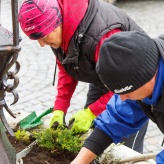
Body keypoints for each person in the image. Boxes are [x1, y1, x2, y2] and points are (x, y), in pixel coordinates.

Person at [56, 30, 164, 164]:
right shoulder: (142, 66)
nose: (122, 98)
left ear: (148, 77)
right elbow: (116, 118)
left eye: (126, 92)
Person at [18, 0, 148, 153]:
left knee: (124, 148)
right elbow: (66, 66)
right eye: (37, 39)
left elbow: (126, 86)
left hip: (136, 86)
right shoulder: (59, 31)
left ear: (57, 23)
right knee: (93, 138)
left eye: (44, 37)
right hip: (102, 77)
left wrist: (92, 112)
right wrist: (60, 108)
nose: (42, 44)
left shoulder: (102, 36)